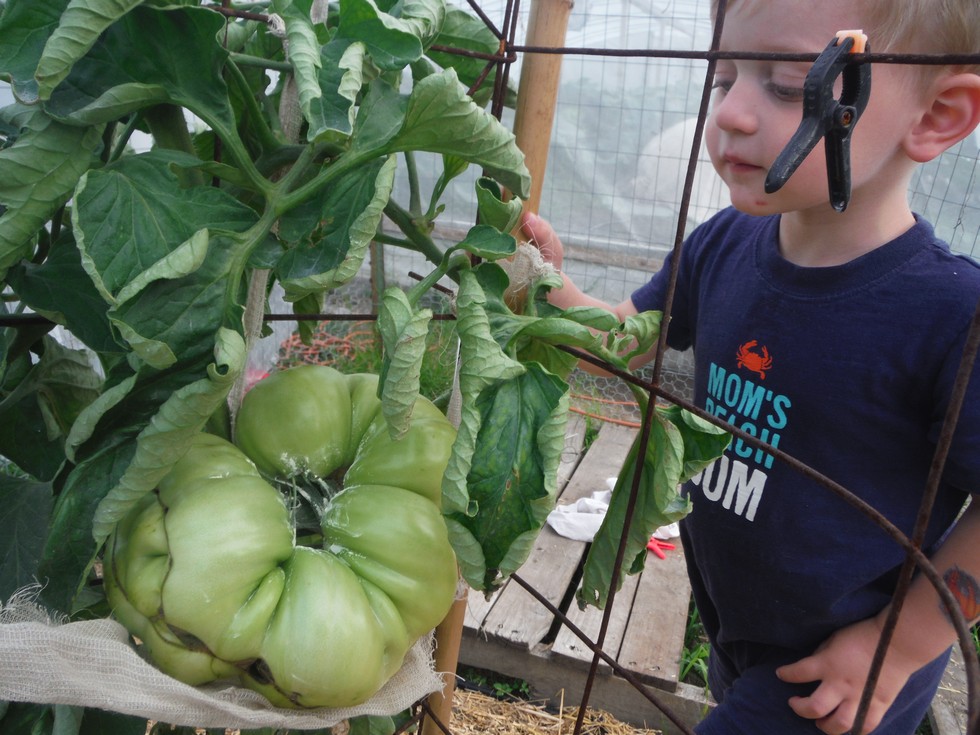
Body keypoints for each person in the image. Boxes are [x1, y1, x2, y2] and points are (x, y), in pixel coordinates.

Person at [521, 1, 980, 733]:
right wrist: (544, 286)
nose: (730, 113)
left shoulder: (953, 314)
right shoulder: (724, 243)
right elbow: (626, 342)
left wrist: (897, 648)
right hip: (738, 627)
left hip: (837, 670)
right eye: (724, 76)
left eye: (791, 84)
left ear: (937, 115)